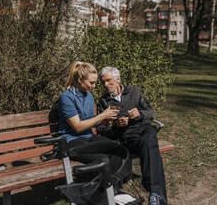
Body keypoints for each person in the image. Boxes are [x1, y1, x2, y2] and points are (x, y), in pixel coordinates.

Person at [57, 61, 131, 194]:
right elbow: (78, 127)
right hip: (72, 142)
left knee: (119, 151)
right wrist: (102, 116)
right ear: (80, 80)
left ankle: (108, 191)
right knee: (104, 159)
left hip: (89, 137)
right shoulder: (66, 98)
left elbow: (91, 121)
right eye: (92, 83)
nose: (94, 86)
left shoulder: (89, 96)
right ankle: (102, 193)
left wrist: (104, 122)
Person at [97, 66, 168, 205]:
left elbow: (150, 112)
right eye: (103, 82)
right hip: (126, 137)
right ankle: (156, 195)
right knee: (150, 143)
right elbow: (101, 129)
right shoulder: (103, 101)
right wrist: (117, 125)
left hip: (143, 130)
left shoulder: (133, 92)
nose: (106, 85)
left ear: (118, 79)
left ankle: (155, 194)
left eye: (108, 80)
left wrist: (139, 114)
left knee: (149, 136)